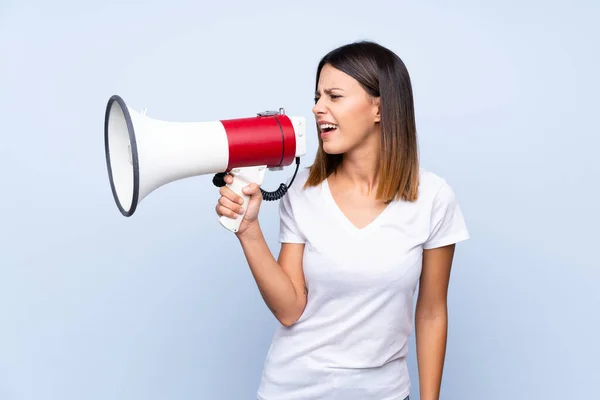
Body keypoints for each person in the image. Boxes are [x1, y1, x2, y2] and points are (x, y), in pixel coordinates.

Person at [215, 40, 470, 400]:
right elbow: (290, 310)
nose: (318, 108)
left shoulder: (433, 197)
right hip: (291, 390)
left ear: (379, 108)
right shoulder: (302, 190)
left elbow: (431, 313)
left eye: (334, 96)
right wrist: (249, 231)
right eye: (317, 97)